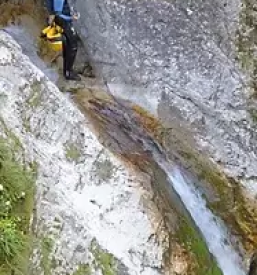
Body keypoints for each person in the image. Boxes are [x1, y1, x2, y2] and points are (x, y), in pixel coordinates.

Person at [46, 0, 81, 81]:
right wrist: (71, 18)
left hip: (62, 20)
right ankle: (68, 72)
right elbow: (58, 14)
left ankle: (67, 70)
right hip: (63, 21)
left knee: (67, 44)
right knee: (73, 45)